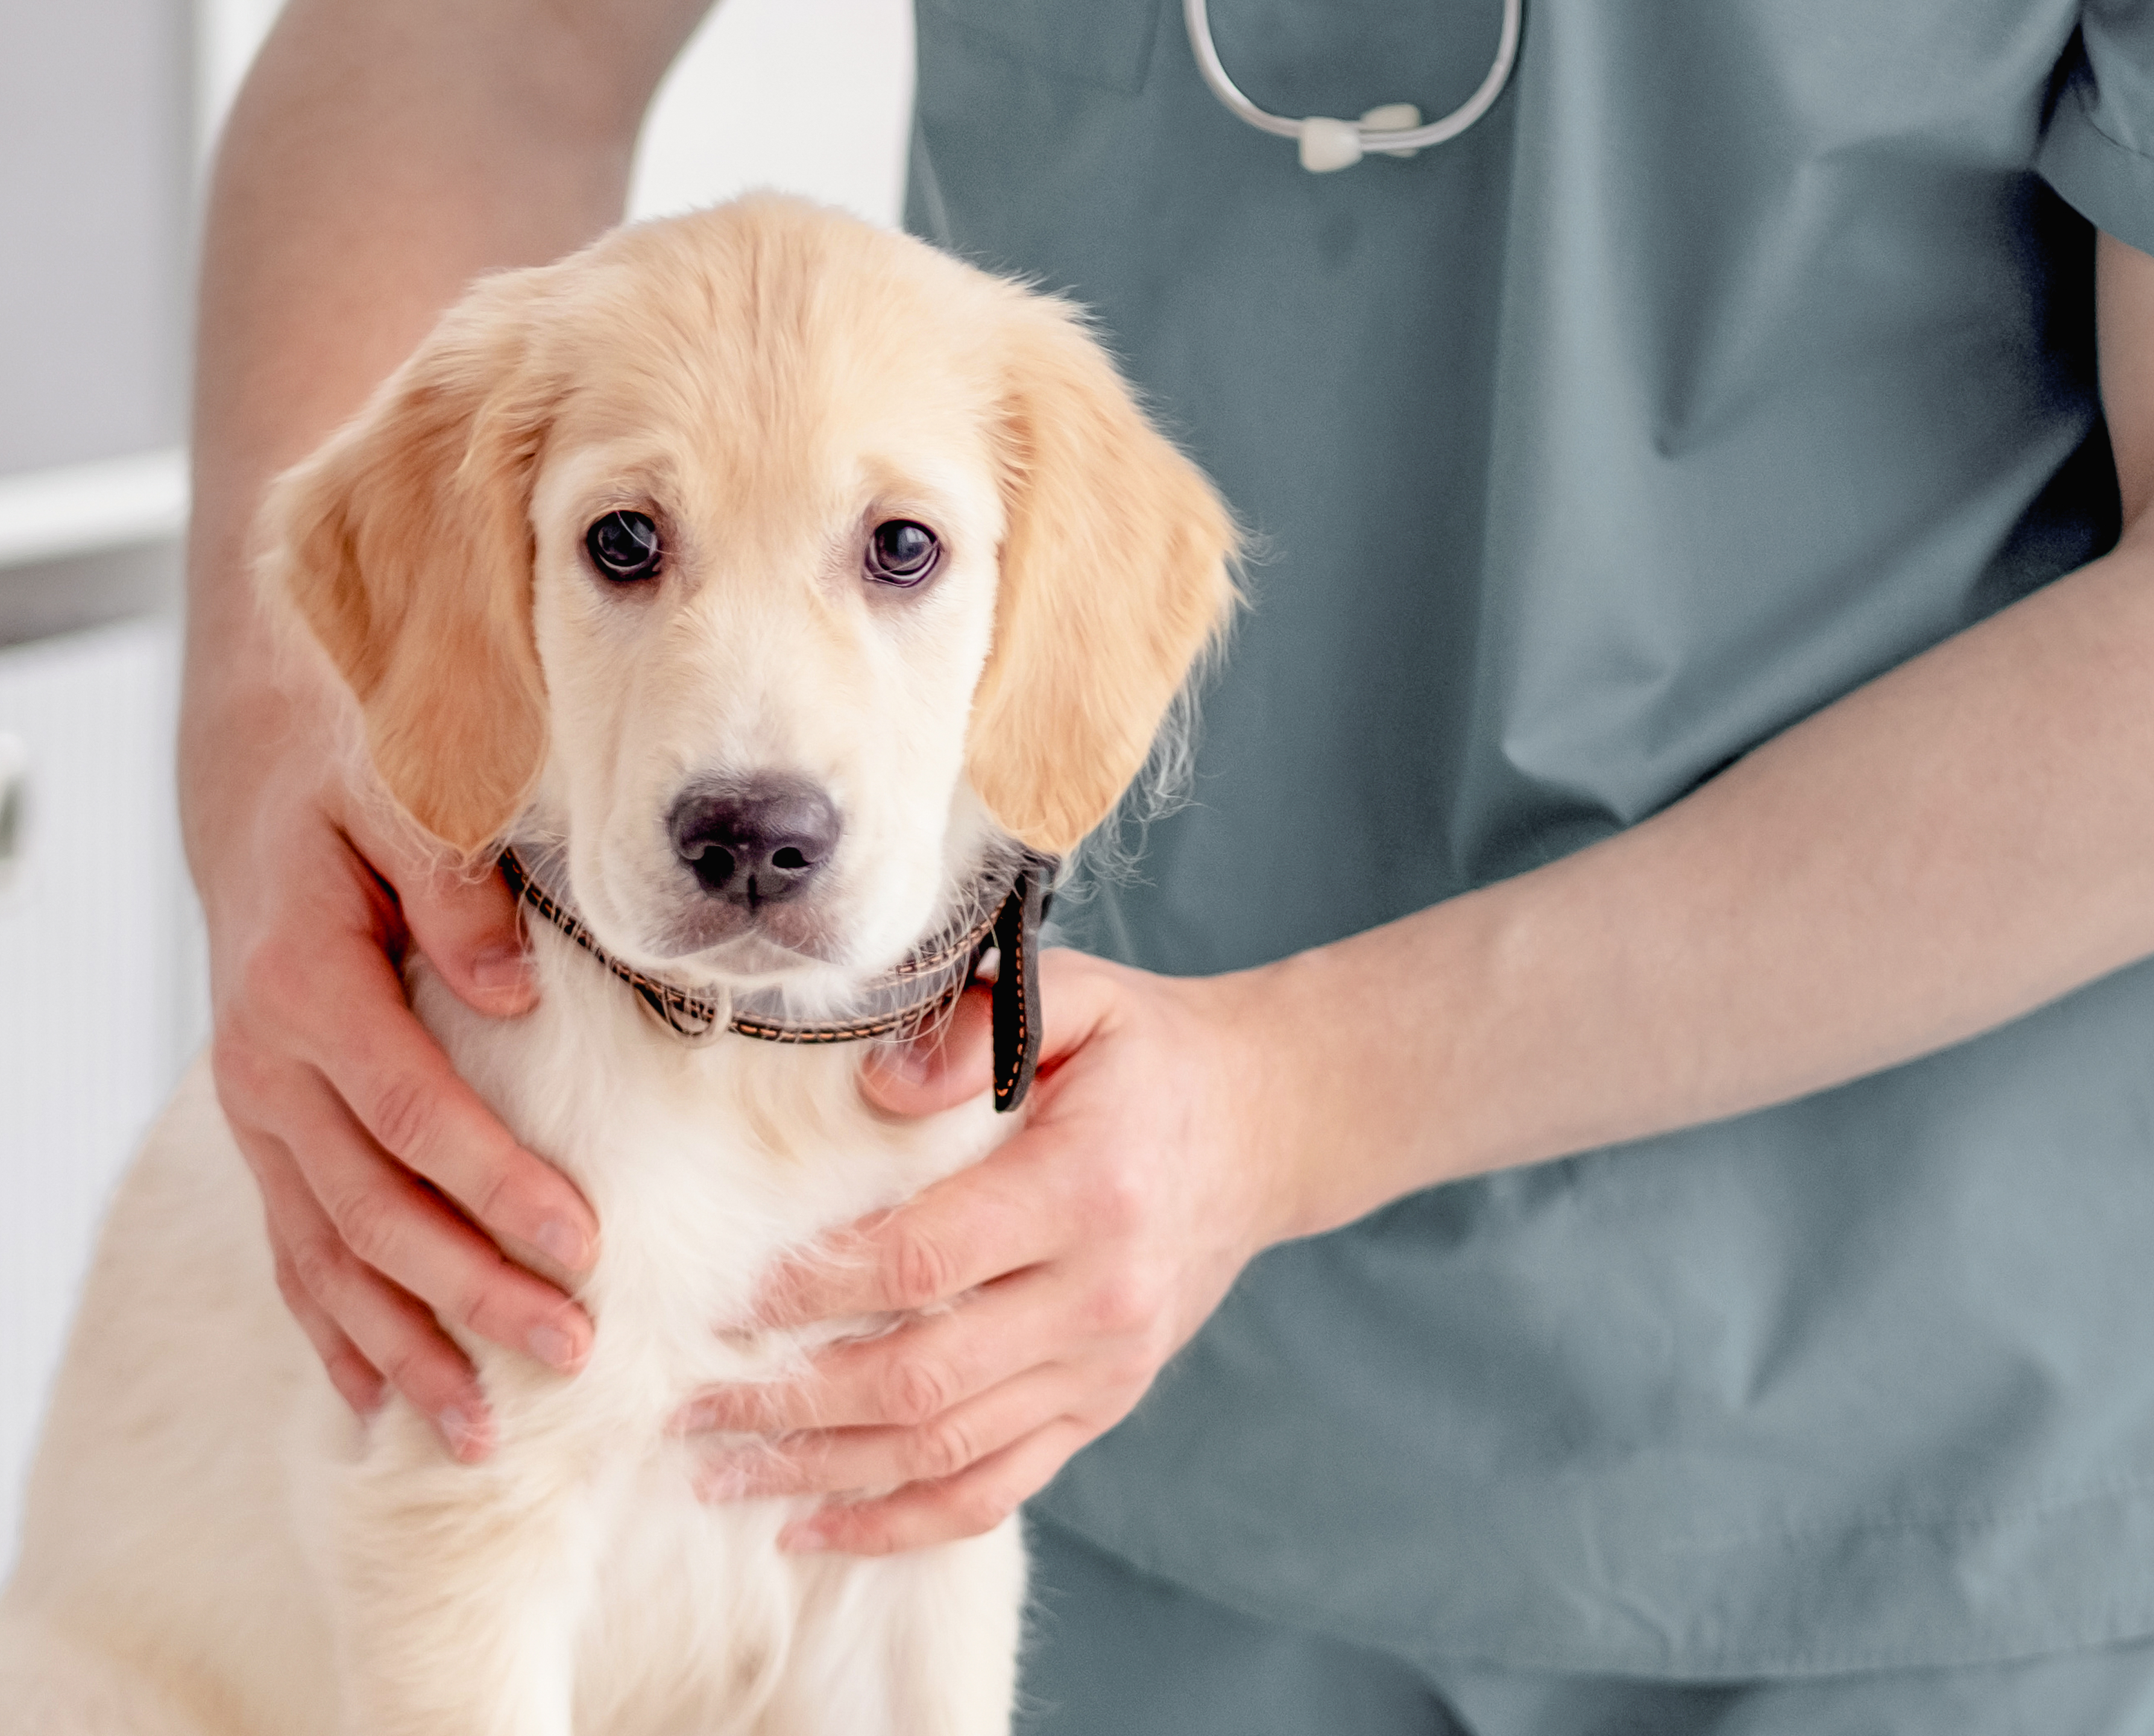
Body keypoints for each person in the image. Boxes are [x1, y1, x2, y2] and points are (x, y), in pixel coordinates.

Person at [183, 0, 2154, 1727]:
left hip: (1909, 1455)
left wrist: (1312, 1094)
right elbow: (473, 37)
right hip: (1041, 1425)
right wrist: (310, 734)